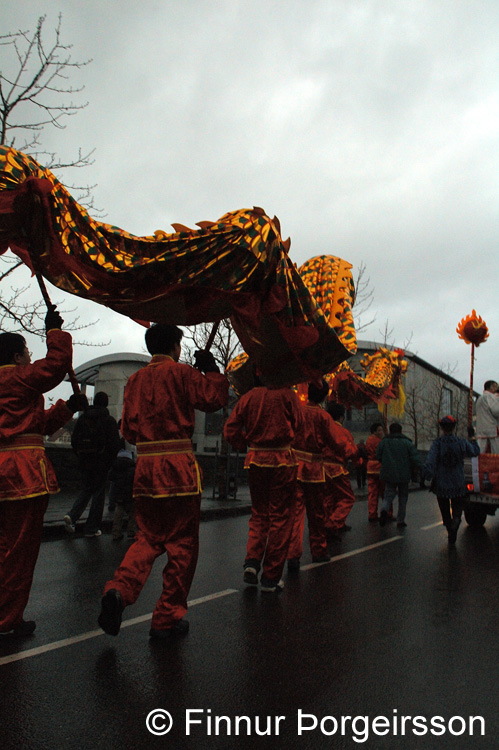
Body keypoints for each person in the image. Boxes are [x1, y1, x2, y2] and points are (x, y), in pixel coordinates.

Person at [98, 324, 228, 640]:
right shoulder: (183, 374)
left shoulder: (135, 381)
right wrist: (210, 370)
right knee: (182, 545)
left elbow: (128, 431)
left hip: (146, 469)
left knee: (148, 537)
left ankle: (119, 588)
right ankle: (166, 617)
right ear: (174, 346)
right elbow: (213, 398)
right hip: (178, 469)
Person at [0, 308, 84, 636]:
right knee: (19, 552)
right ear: (17, 355)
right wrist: (54, 332)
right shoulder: (19, 377)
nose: (29, 358)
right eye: (26, 352)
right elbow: (57, 365)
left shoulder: (18, 384)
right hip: (21, 475)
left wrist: (66, 409)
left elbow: (36, 426)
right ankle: (8, 621)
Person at [224, 376, 303, 592]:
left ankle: (251, 561)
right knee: (280, 517)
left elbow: (230, 430)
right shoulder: (289, 395)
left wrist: (247, 444)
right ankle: (270, 577)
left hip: (256, 460)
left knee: (259, 514)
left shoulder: (248, 397)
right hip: (282, 461)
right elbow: (300, 426)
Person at [287, 380, 335, 570]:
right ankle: (318, 551)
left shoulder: (298, 411)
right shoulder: (323, 416)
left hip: (294, 466)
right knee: (317, 513)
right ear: (323, 396)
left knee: (296, 513)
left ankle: (292, 554)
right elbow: (335, 441)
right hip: (314, 470)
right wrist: (353, 453)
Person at [64, 391, 120, 537]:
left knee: (87, 488)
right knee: (99, 494)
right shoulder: (109, 420)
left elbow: (74, 440)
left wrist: (81, 455)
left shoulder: (83, 419)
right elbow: (115, 444)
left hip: (85, 460)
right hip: (101, 462)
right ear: (106, 403)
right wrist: (109, 460)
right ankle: (91, 527)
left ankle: (72, 515)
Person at [424, 415, 480, 544]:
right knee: (457, 506)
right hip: (458, 481)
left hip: (441, 483)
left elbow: (430, 460)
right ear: (454, 427)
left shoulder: (437, 443)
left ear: (442, 428)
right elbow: (475, 452)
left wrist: (426, 474)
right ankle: (455, 521)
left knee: (444, 508)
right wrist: (472, 437)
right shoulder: (461, 442)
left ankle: (449, 527)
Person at [323, 402, 358, 540]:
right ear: (341, 417)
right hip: (337, 468)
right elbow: (350, 451)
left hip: (321, 467)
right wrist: (358, 456)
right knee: (347, 498)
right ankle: (333, 524)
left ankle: (330, 523)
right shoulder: (342, 431)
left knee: (329, 498)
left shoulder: (322, 427)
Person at [377, 422, 421, 528]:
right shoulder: (407, 443)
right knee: (403, 498)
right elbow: (415, 458)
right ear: (401, 431)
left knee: (388, 495)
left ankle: (384, 510)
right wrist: (421, 468)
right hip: (404, 474)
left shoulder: (384, 442)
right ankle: (400, 521)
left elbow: (378, 455)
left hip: (389, 473)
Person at [108, 439, 137, 541]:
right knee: (133, 514)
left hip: (118, 494)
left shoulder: (115, 467)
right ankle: (131, 532)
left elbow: (110, 477)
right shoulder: (133, 468)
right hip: (130, 495)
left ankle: (116, 532)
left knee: (118, 513)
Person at [366, 422, 385, 522]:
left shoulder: (368, 440)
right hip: (379, 467)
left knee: (372, 493)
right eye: (379, 430)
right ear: (375, 431)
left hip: (370, 468)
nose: (381, 432)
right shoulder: (380, 442)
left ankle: (372, 513)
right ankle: (388, 512)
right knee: (384, 492)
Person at [475, 380, 499, 454]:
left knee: (480, 451)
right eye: (495, 386)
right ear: (491, 387)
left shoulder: (479, 398)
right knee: (496, 451)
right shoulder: (491, 397)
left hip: (481, 428)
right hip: (492, 428)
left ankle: (478, 465)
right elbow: (496, 411)